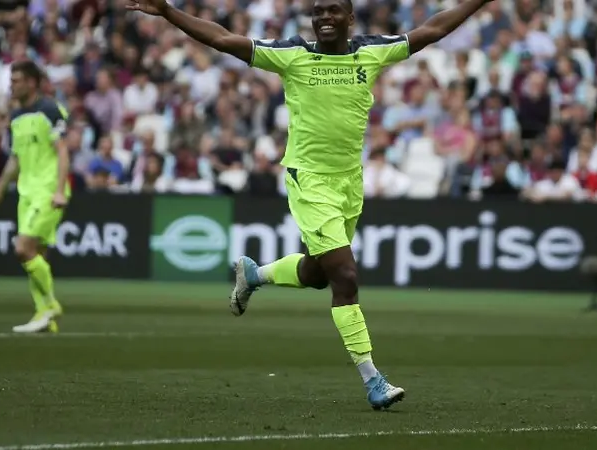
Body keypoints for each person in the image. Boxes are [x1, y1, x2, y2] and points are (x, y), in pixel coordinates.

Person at [126, 0, 490, 411]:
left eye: (333, 11)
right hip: (310, 181)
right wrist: (170, 12)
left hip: (349, 183)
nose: (324, 18)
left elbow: (433, 30)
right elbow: (223, 39)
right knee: (346, 276)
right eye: (317, 12)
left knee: (318, 274)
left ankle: (255, 274)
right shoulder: (293, 56)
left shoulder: (371, 52)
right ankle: (373, 379)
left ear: (350, 18)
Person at [0, 60, 70, 334]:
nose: (12, 85)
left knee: (23, 249)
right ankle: (43, 314)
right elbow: (15, 159)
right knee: (37, 255)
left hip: (47, 189)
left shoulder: (49, 109)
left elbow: (63, 151)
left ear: (32, 82)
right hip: (26, 191)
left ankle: (51, 304)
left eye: (17, 80)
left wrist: (58, 190)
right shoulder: (17, 116)